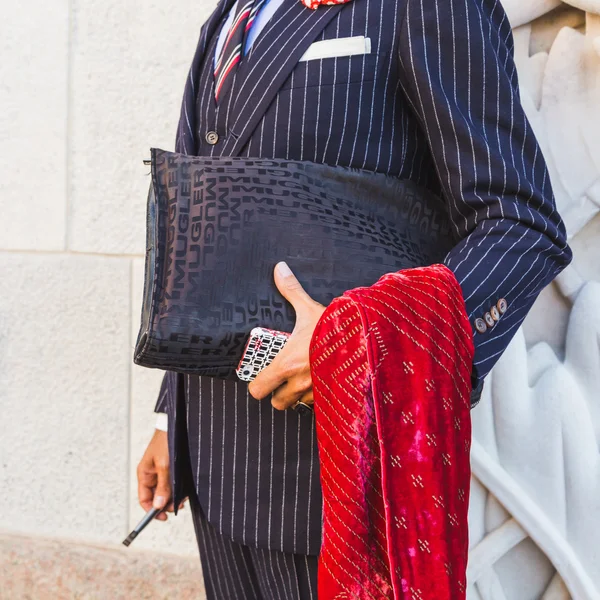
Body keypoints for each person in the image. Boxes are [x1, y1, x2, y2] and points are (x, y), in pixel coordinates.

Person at [137, 0, 573, 597]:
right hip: (215, 461)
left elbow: (521, 225)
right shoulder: (231, 12)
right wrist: (172, 416)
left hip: (338, 478)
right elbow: (206, 221)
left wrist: (361, 346)